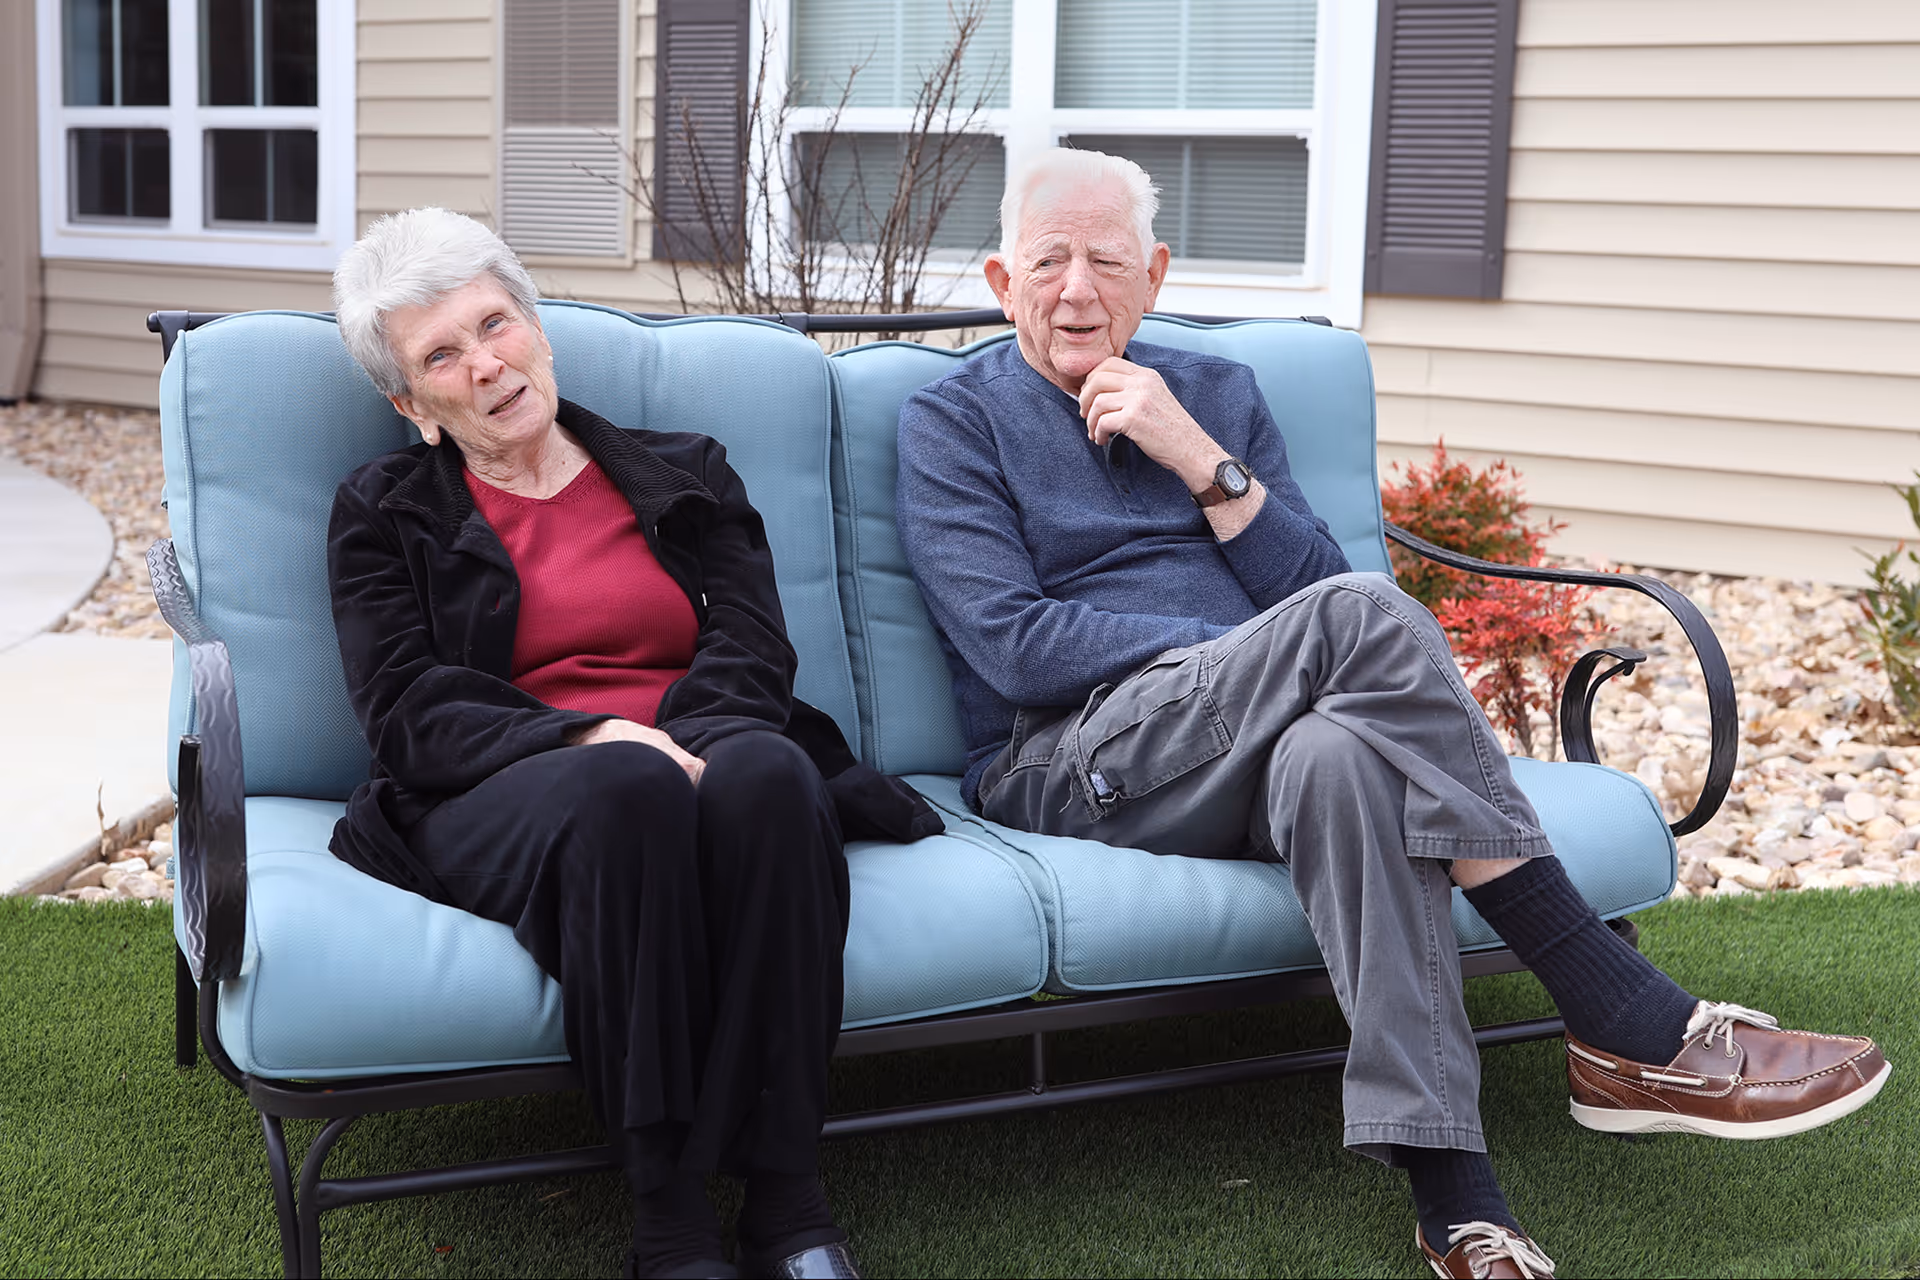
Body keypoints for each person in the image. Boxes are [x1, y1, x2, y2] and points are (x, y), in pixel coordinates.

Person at [896, 149, 1890, 1279]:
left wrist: (1195, 455)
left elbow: (1303, 576)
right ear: (998, 278)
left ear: (1156, 276)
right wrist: (1248, 657)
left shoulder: (1214, 398)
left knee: (1341, 758)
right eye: (1049, 261)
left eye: (1107, 261)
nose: (1077, 288)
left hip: (1259, 739)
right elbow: (1017, 649)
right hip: (1078, 759)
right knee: (1357, 618)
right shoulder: (952, 422)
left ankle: (1458, 1201)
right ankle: (1622, 1011)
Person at [327, 207, 927, 1280]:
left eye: (494, 324)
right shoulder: (383, 512)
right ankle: (670, 1221)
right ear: (409, 402)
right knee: (624, 790)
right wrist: (601, 731)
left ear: (537, 326)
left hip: (706, 736)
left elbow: (753, 649)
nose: (487, 366)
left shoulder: (684, 472)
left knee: (776, 778)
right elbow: (407, 706)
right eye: (443, 356)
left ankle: (789, 1200)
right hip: (506, 781)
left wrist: (677, 739)